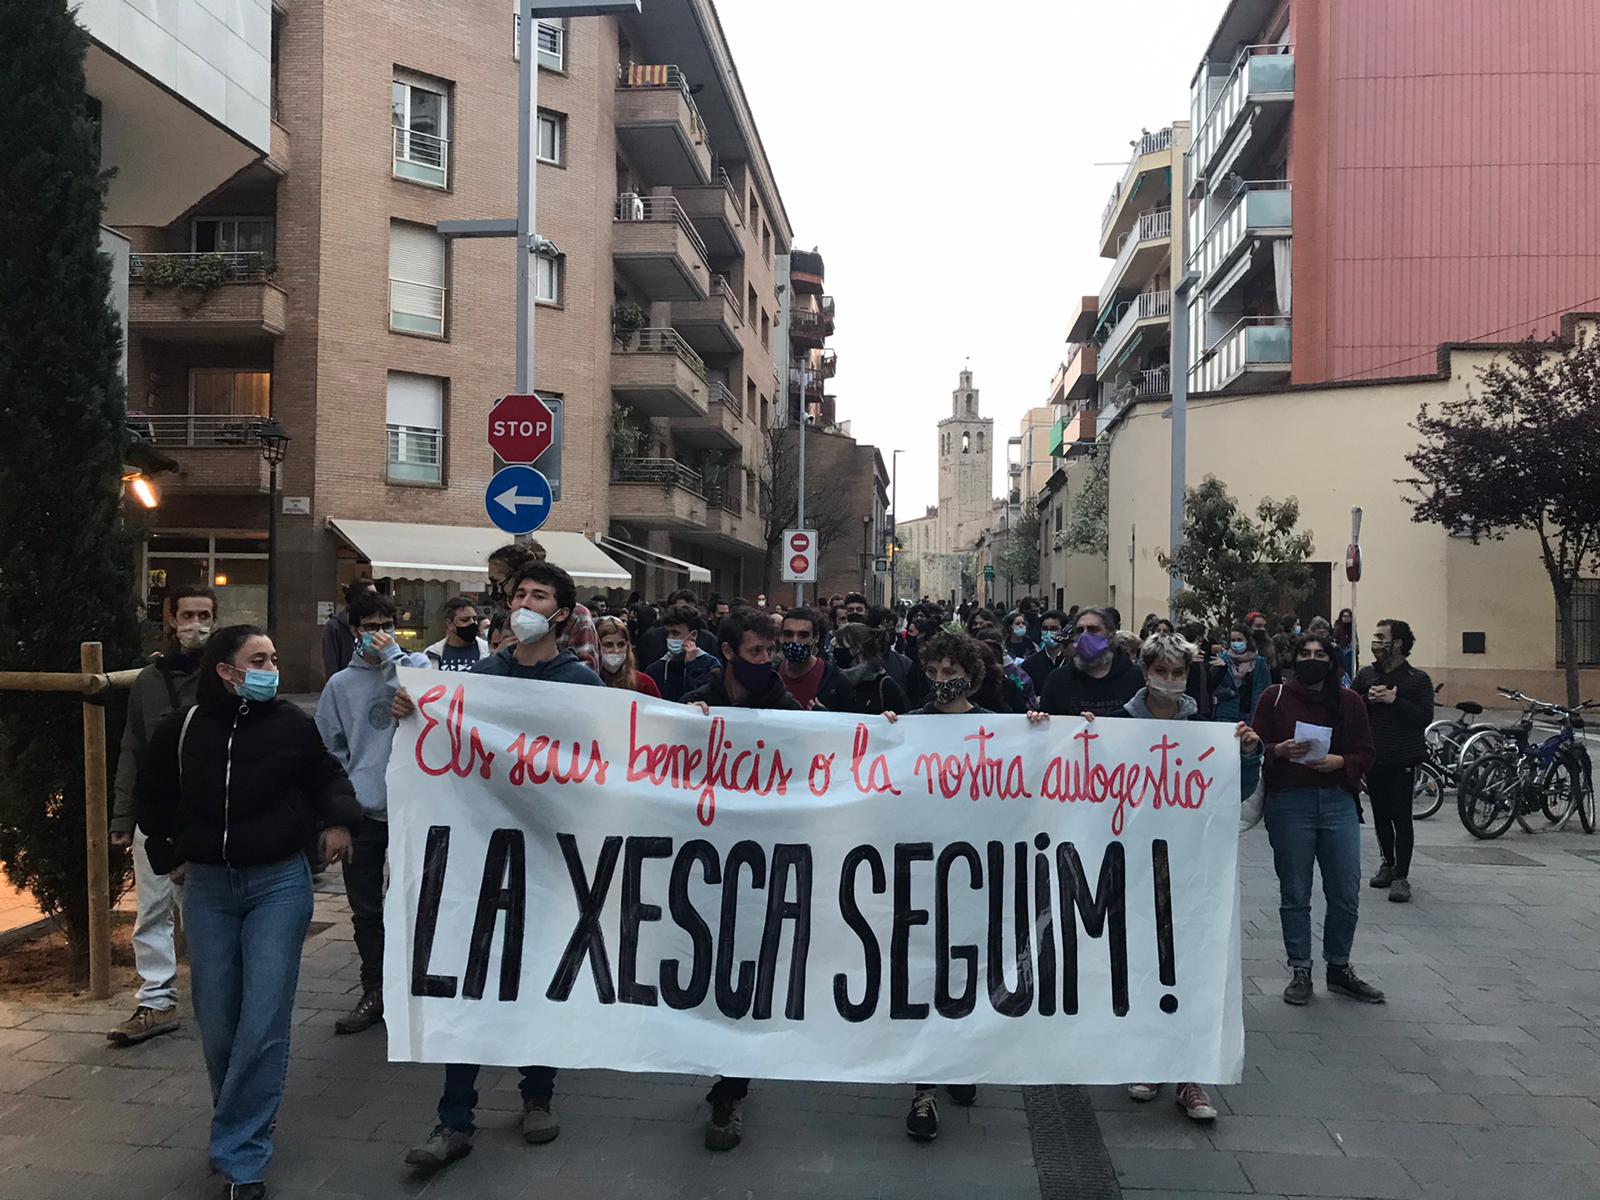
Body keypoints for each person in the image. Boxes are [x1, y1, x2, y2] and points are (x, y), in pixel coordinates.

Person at [136, 625, 358, 1198]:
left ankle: (242, 1150)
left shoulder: (289, 723)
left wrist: (336, 822)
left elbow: (325, 776)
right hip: (209, 888)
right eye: (257, 659)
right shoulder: (183, 729)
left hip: (279, 885)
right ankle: (243, 1120)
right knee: (218, 1021)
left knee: (262, 1017)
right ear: (225, 670)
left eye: (274, 658)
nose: (270, 668)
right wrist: (170, 856)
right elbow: (154, 797)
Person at [398, 562, 602, 1170]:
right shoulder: (485, 676)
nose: (526, 602)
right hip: (479, 855)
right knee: (470, 974)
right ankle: (452, 1117)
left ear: (562, 613)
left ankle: (538, 1093)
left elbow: (604, 762)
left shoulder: (581, 685)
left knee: (539, 974)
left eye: (539, 595)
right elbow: (439, 740)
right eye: (520, 593)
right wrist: (411, 715)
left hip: (548, 854)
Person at [1096, 633, 1261, 1123]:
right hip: (1132, 864)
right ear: (1145, 671)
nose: (1169, 681)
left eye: (1178, 673)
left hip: (1192, 867)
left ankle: (1191, 1075)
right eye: (1161, 671)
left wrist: (1247, 755)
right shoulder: (1118, 725)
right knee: (1142, 962)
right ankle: (1148, 1060)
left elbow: (1236, 790)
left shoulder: (1208, 728)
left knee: (1194, 965)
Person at [681, 609, 801, 1152]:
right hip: (700, 860)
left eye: (769, 652)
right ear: (728, 652)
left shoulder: (785, 707)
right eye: (755, 652)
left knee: (745, 970)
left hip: (760, 863)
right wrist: (684, 721)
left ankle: (730, 1089)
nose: (767, 661)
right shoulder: (694, 695)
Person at [315, 593, 430, 1037]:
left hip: (412, 808)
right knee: (365, 909)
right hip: (364, 813)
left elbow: (434, 699)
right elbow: (328, 750)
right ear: (353, 630)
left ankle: (413, 986)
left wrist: (393, 661)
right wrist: (340, 811)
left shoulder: (412, 666)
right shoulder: (339, 686)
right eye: (369, 626)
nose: (379, 633)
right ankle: (375, 988)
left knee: (413, 902)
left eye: (387, 623)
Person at [108, 584, 217, 1046]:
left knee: (202, 910)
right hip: (156, 815)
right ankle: (156, 1001)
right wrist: (121, 818)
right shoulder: (149, 682)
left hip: (208, 814)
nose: (196, 624)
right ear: (171, 619)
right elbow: (132, 747)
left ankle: (216, 997)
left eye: (205, 614)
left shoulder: (222, 676)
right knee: (152, 909)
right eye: (188, 615)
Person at [1251, 633, 1383, 1007]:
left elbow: (1366, 751)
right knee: (1295, 891)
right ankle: (1300, 969)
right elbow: (1254, 745)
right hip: (1290, 803)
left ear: (1331, 659)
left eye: (1320, 654)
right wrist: (1280, 749)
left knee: (1345, 889)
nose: (1312, 659)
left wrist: (1341, 762)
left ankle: (1339, 967)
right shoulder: (1274, 697)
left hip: (1338, 802)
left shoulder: (1349, 701)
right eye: (1305, 653)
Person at [1352, 619, 1433, 903]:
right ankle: (1387, 863)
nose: (1376, 642)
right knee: (1381, 815)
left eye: (1381, 637)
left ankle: (1402, 875)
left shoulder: (1416, 679)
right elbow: (1349, 708)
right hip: (1375, 757)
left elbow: (1423, 717)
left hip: (1403, 758)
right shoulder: (1366, 675)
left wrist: (1394, 700)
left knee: (1401, 816)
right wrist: (1368, 699)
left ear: (1397, 643)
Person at [1041, 607, 1142, 718]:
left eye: (1093, 630)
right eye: (1080, 631)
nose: (1085, 636)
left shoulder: (1136, 678)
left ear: (1110, 635)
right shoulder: (1057, 681)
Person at [775, 606, 854, 710]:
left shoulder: (836, 681)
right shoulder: (771, 678)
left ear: (815, 638)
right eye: (788, 634)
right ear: (781, 637)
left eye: (803, 635)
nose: (795, 641)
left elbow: (852, 722)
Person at [645, 604, 720, 701]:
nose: (670, 638)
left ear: (693, 635)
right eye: (668, 633)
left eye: (676, 633)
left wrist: (692, 666)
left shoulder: (711, 666)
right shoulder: (655, 669)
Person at [1211, 625, 1273, 723]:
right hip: (1227, 713)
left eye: (1239, 640)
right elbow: (1213, 686)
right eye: (1233, 640)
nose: (1236, 643)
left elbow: (1265, 687)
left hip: (1250, 714)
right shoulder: (1222, 660)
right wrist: (1228, 692)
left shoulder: (1259, 662)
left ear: (1247, 641)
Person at [321, 578, 376, 680]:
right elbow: (330, 663)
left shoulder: (374, 623)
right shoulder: (335, 626)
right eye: (372, 596)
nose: (377, 600)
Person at [595, 615, 661, 697]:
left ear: (628, 646)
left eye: (621, 644)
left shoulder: (644, 683)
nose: (616, 650)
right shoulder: (587, 681)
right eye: (608, 645)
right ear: (596, 646)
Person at [425, 596, 489, 672]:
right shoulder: (432, 653)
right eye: (465, 620)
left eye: (474, 619)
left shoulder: (488, 651)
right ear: (449, 624)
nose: (472, 623)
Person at [1020, 608, 1069, 693]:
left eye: (1054, 629)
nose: (1049, 632)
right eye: (1045, 629)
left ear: (1063, 632)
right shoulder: (1030, 664)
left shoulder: (1072, 662)